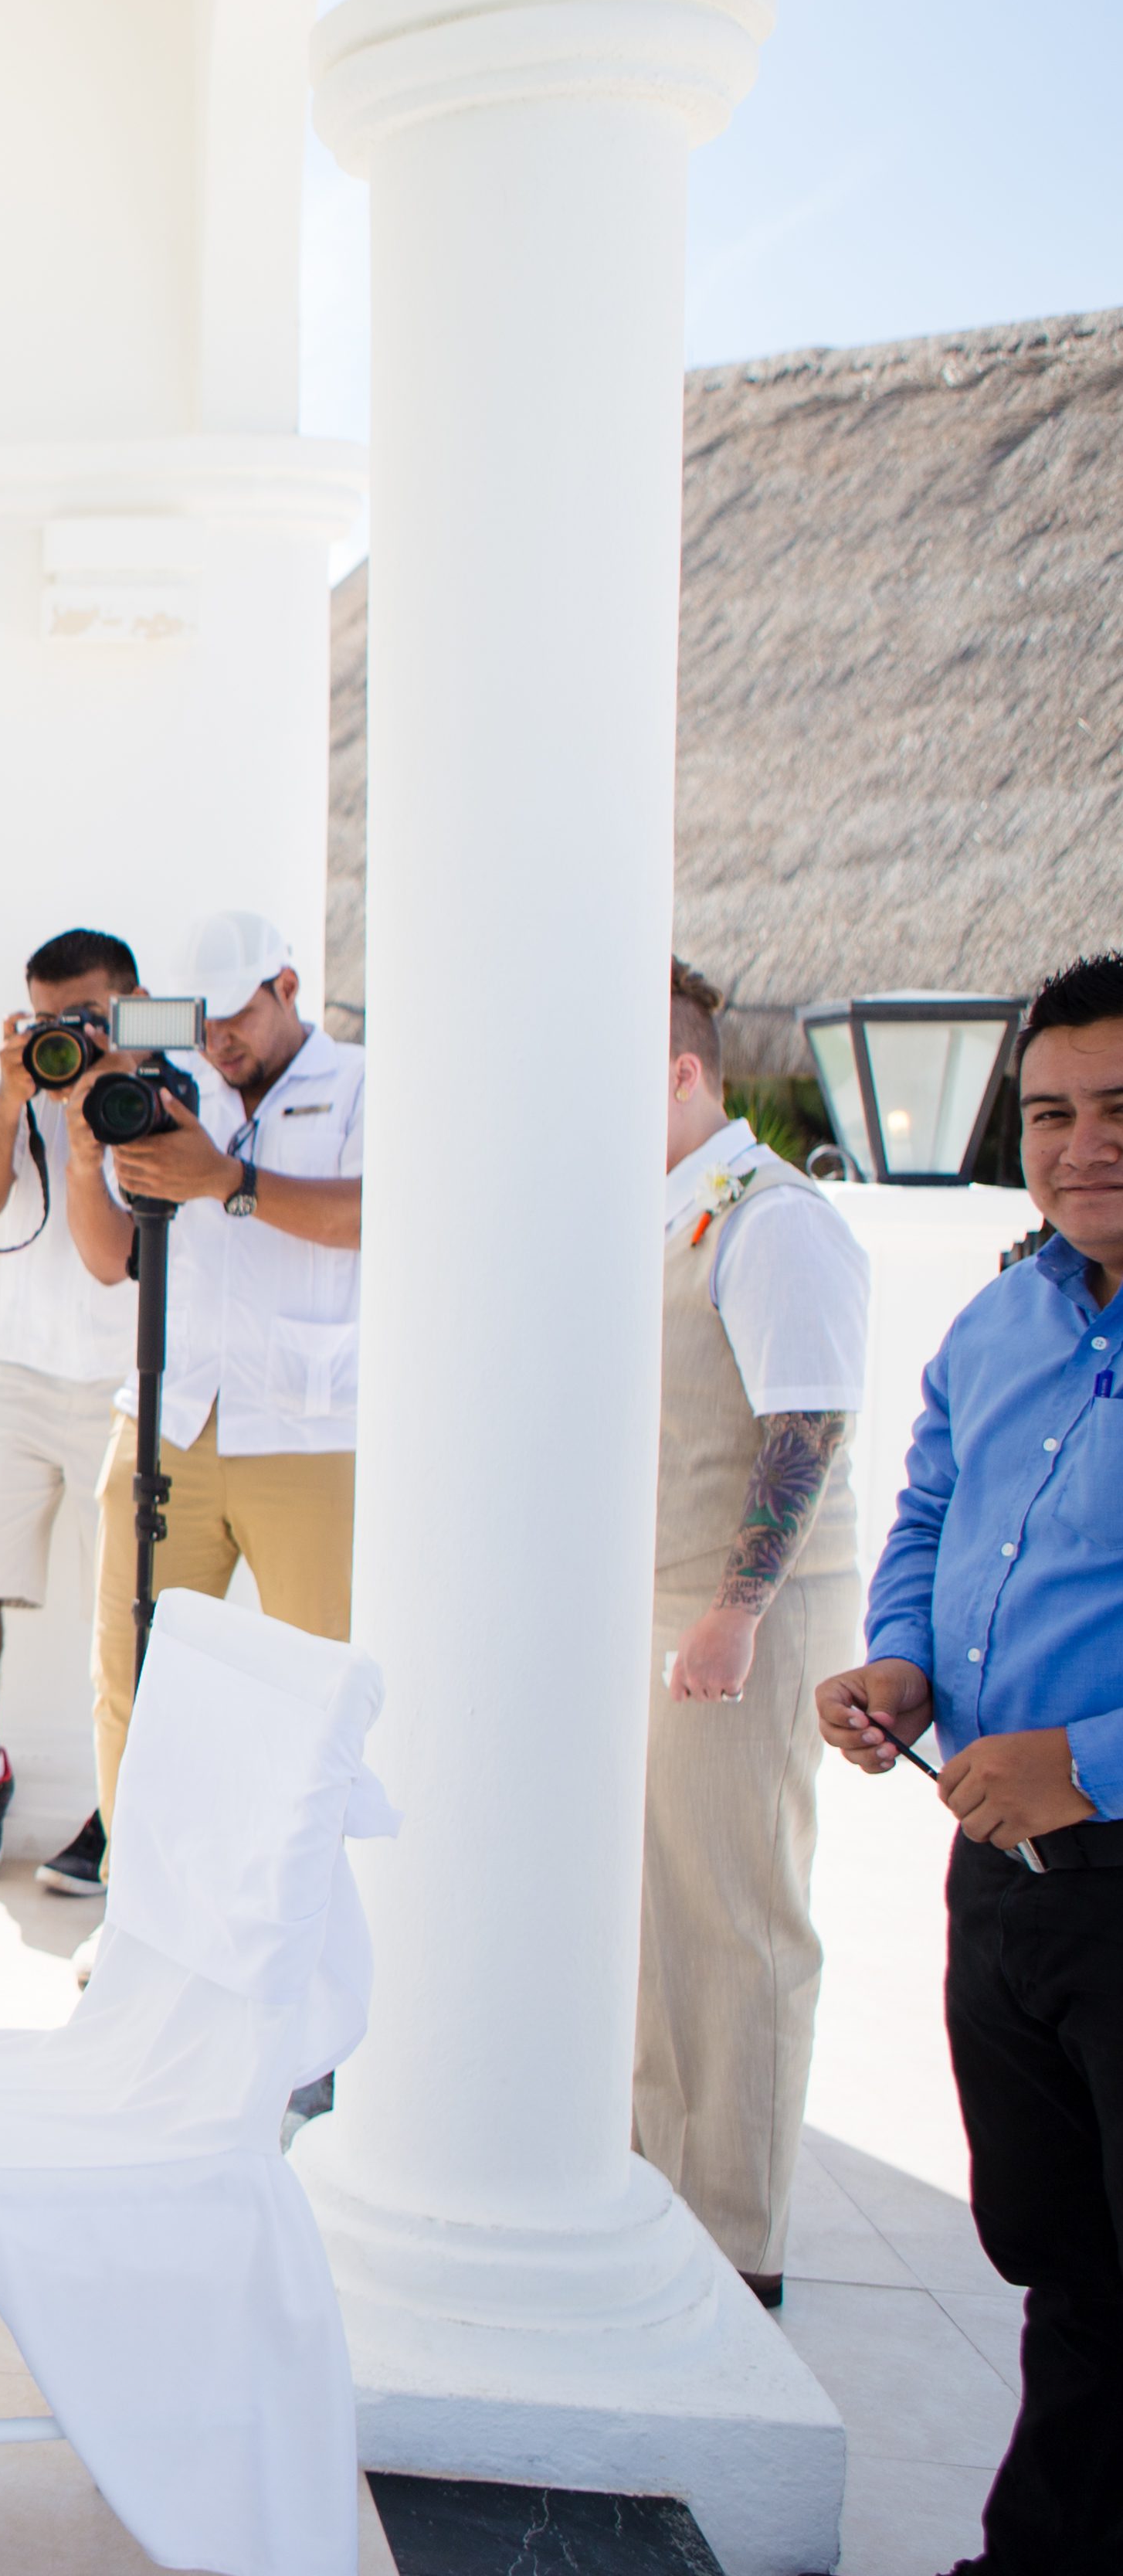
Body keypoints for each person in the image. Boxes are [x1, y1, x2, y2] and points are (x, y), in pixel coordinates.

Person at [821, 948, 1123, 2576]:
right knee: (1065, 2262)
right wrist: (902, 1662)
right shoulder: (1001, 1317)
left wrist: (1091, 1762)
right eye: (1054, 1112)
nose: (1083, 1145)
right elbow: (931, 1508)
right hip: (1002, 1883)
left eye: (1121, 1107)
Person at [636, 957, 873, 2306]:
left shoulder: (773, 1219)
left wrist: (734, 1614)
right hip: (670, 1609)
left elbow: (808, 1425)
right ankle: (660, 2192)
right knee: (662, 1919)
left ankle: (739, 2240)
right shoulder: (670, 1211)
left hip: (745, 1622)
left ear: (684, 1074)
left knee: (738, 1922)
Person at [55, 909, 365, 1898]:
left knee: (318, 1688)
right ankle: (139, 1913)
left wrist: (228, 1181)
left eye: (238, 1015)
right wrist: (84, 1152)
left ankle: (306, 1920)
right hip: (165, 1416)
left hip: (311, 1429)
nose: (220, 1040)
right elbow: (113, 1258)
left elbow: (379, 1218)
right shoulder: (167, 1088)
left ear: (288, 987)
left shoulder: (363, 1084)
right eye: (204, 1021)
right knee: (130, 1681)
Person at [0, 928, 148, 1884]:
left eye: (87, 1016)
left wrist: (108, 1093)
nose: (70, 1034)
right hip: (17, 1370)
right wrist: (14, 1091)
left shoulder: (160, 1093)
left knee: (132, 1604)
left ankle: (123, 1799)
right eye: (48, 1019)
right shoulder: (26, 1095)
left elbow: (126, 1254)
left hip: (127, 1379)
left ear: (129, 1007)